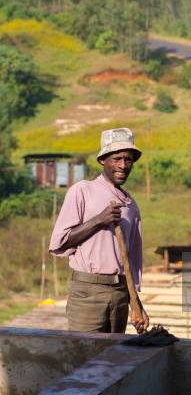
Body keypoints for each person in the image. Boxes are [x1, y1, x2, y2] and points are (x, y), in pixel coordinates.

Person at [49, 127, 149, 334]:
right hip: (88, 291)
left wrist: (136, 305)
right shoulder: (82, 191)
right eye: (117, 158)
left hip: (121, 293)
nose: (123, 165)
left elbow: (130, 263)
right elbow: (61, 242)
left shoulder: (131, 206)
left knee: (111, 360)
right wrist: (99, 220)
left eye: (128, 159)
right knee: (85, 356)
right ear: (103, 159)